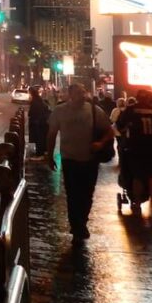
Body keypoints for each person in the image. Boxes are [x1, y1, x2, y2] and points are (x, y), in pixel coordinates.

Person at [45, 83, 115, 244]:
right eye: (78, 93)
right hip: (69, 159)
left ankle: (81, 222)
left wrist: (100, 143)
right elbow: (51, 134)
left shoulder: (93, 111)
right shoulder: (60, 111)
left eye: (83, 92)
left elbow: (110, 131)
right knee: (72, 194)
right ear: (70, 94)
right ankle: (76, 226)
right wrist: (49, 156)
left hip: (90, 159)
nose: (82, 95)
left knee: (87, 194)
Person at [116, 88, 152, 220]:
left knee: (138, 176)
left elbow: (120, 126)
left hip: (136, 148)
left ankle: (136, 204)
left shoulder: (130, 110)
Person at [28, 85, 50, 157]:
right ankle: (40, 151)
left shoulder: (35, 101)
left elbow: (32, 112)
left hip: (37, 123)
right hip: (40, 122)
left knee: (36, 138)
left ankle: (36, 153)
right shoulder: (39, 100)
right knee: (39, 138)